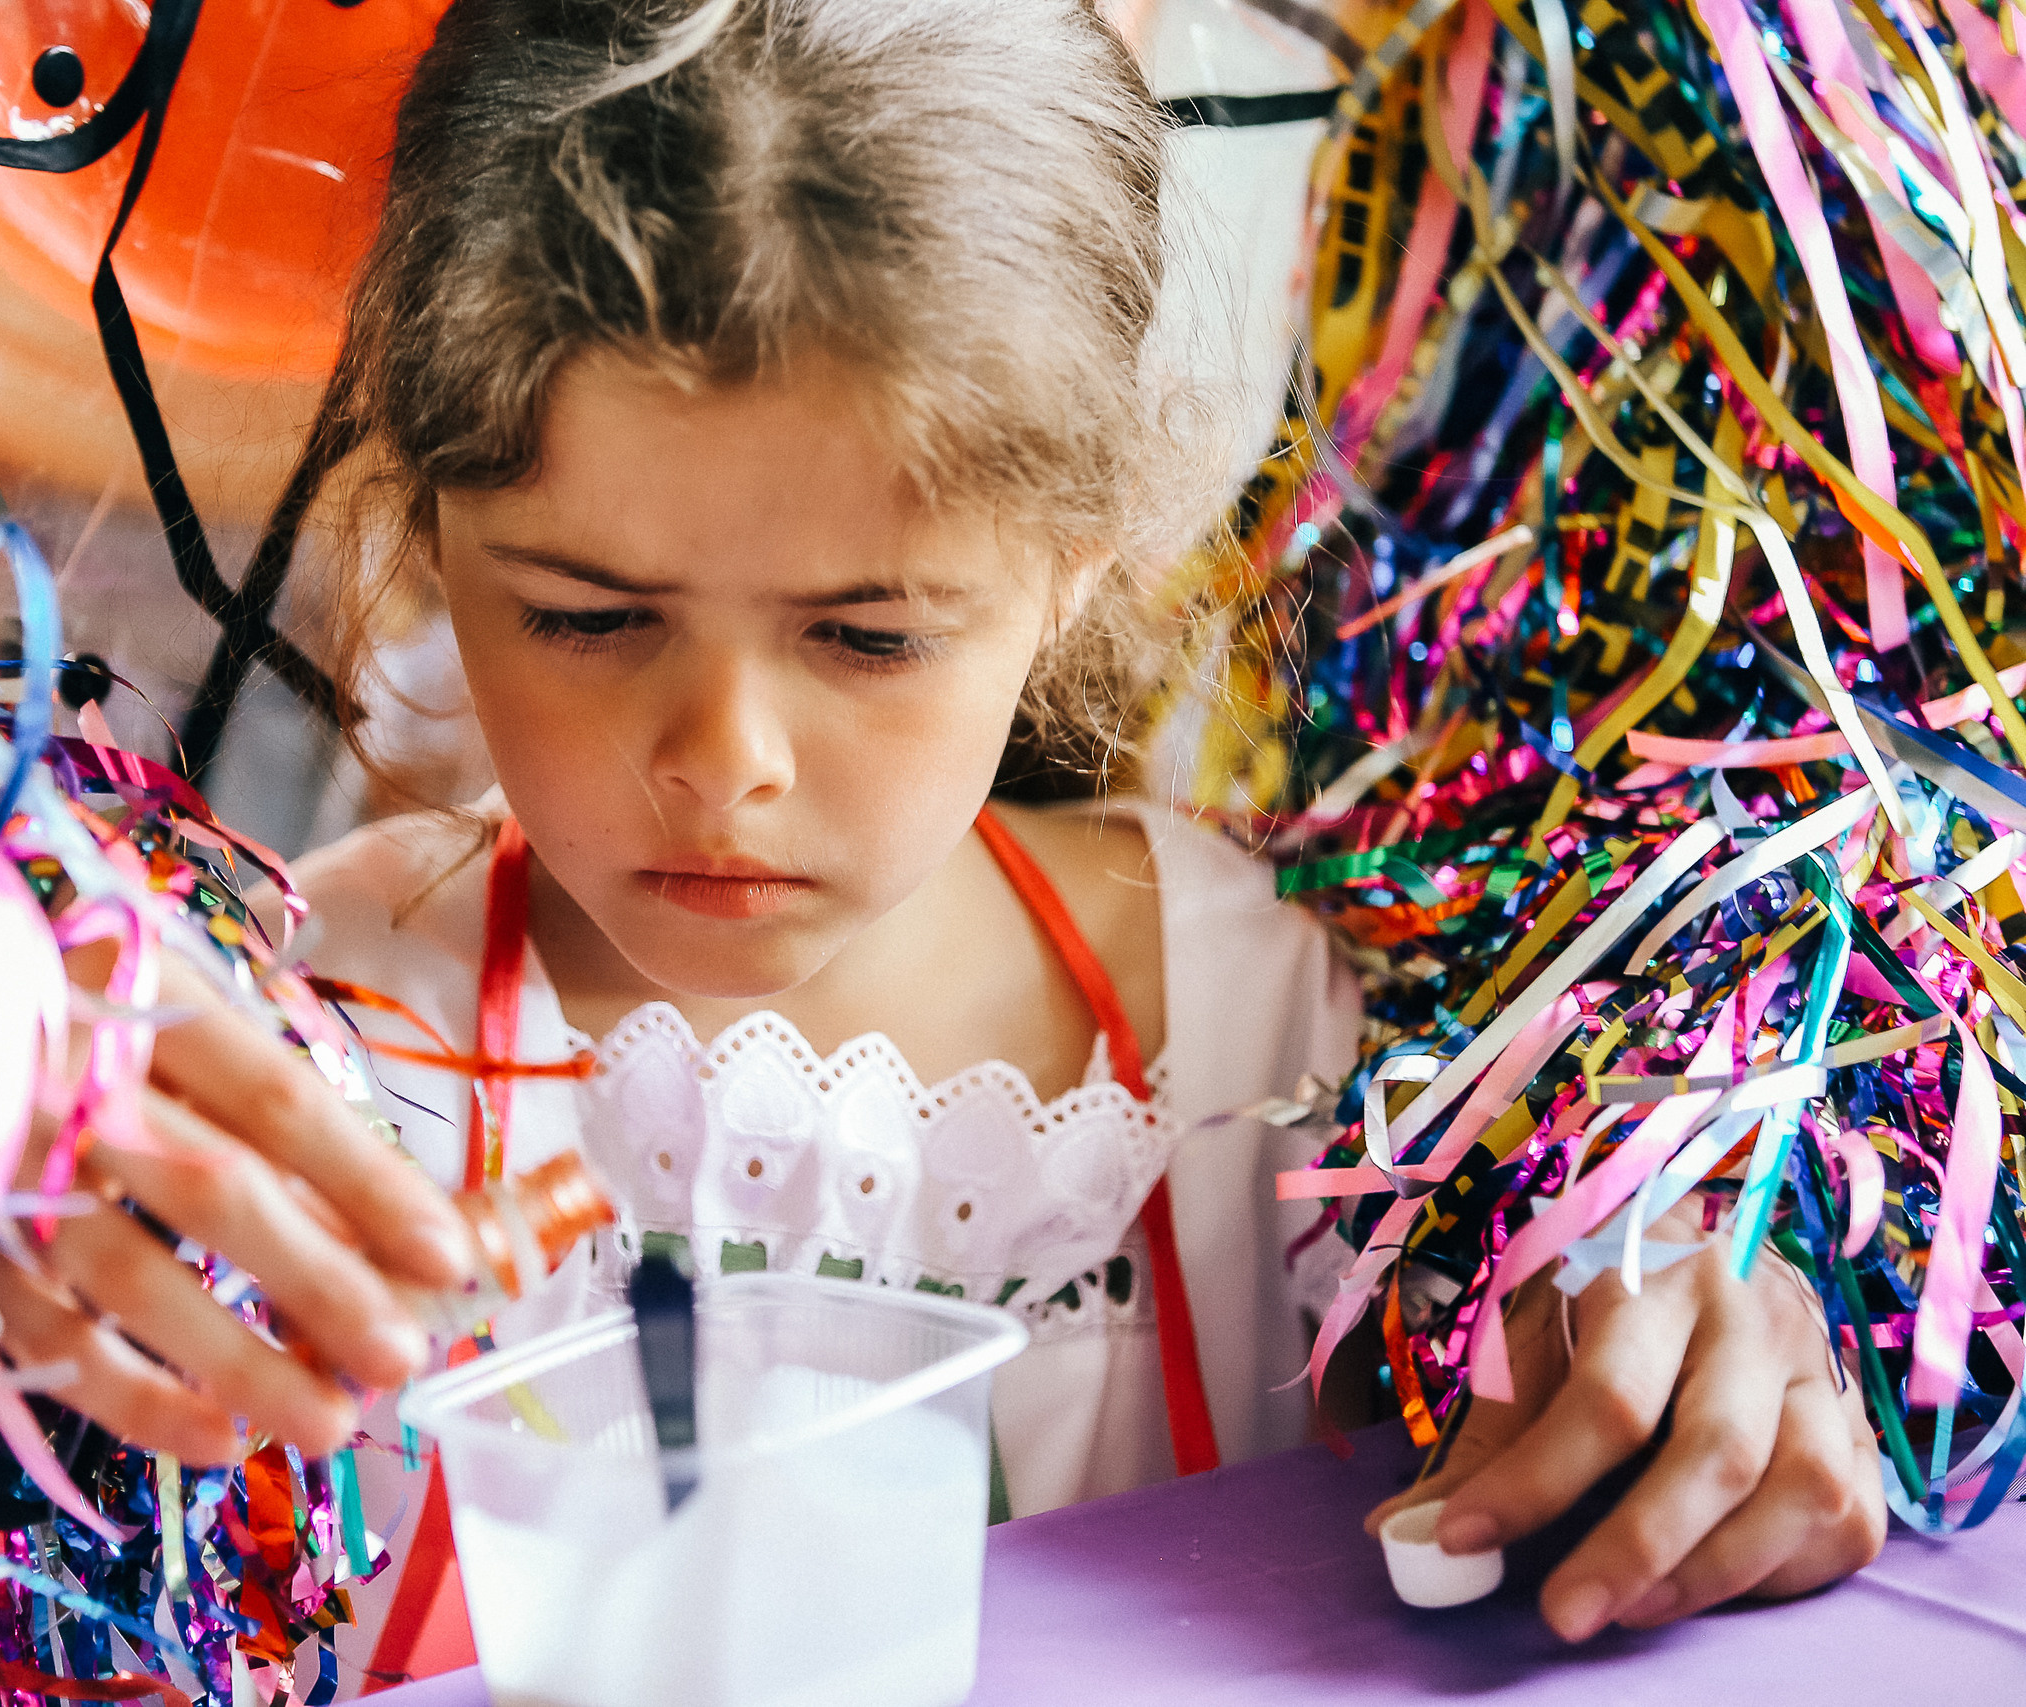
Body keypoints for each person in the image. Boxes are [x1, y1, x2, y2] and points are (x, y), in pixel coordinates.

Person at [162, 0, 1883, 1679]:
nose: (725, 764)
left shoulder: (1281, 1041)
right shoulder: (299, 1045)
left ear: (1073, 561)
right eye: (592, 619)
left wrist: (1637, 1324)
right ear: (428, 522)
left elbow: (1564, 1373)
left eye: (869, 637)